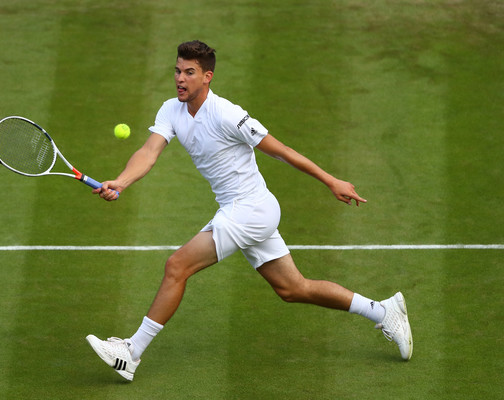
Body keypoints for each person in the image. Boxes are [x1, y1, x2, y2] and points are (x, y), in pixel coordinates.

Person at [86, 40, 412, 381]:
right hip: (239, 209)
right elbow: (148, 151)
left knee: (176, 266)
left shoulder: (228, 114)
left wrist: (331, 181)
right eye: (177, 71)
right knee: (293, 289)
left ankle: (131, 352)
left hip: (251, 209)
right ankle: (383, 311)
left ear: (207, 77)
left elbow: (281, 150)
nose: (180, 79)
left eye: (189, 72)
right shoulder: (171, 110)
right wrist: (121, 181)